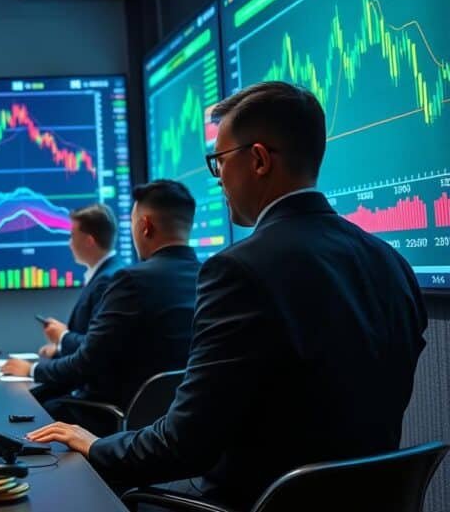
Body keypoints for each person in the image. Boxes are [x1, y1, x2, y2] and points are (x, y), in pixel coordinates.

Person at [25, 81, 428, 509]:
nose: (217, 180)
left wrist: (95, 446)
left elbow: (186, 445)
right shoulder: (391, 263)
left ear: (257, 160)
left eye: (219, 162)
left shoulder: (239, 270)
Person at [2, 180, 200, 436]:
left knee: (26, 412)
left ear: (145, 227)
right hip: (178, 420)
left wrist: (31, 370)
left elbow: (87, 363)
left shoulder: (131, 281)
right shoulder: (208, 274)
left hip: (118, 418)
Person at [36, 203, 127, 360]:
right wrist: (59, 352)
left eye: (72, 235)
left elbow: (98, 348)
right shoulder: (107, 272)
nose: (69, 243)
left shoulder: (106, 280)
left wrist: (62, 336)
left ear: (89, 241)